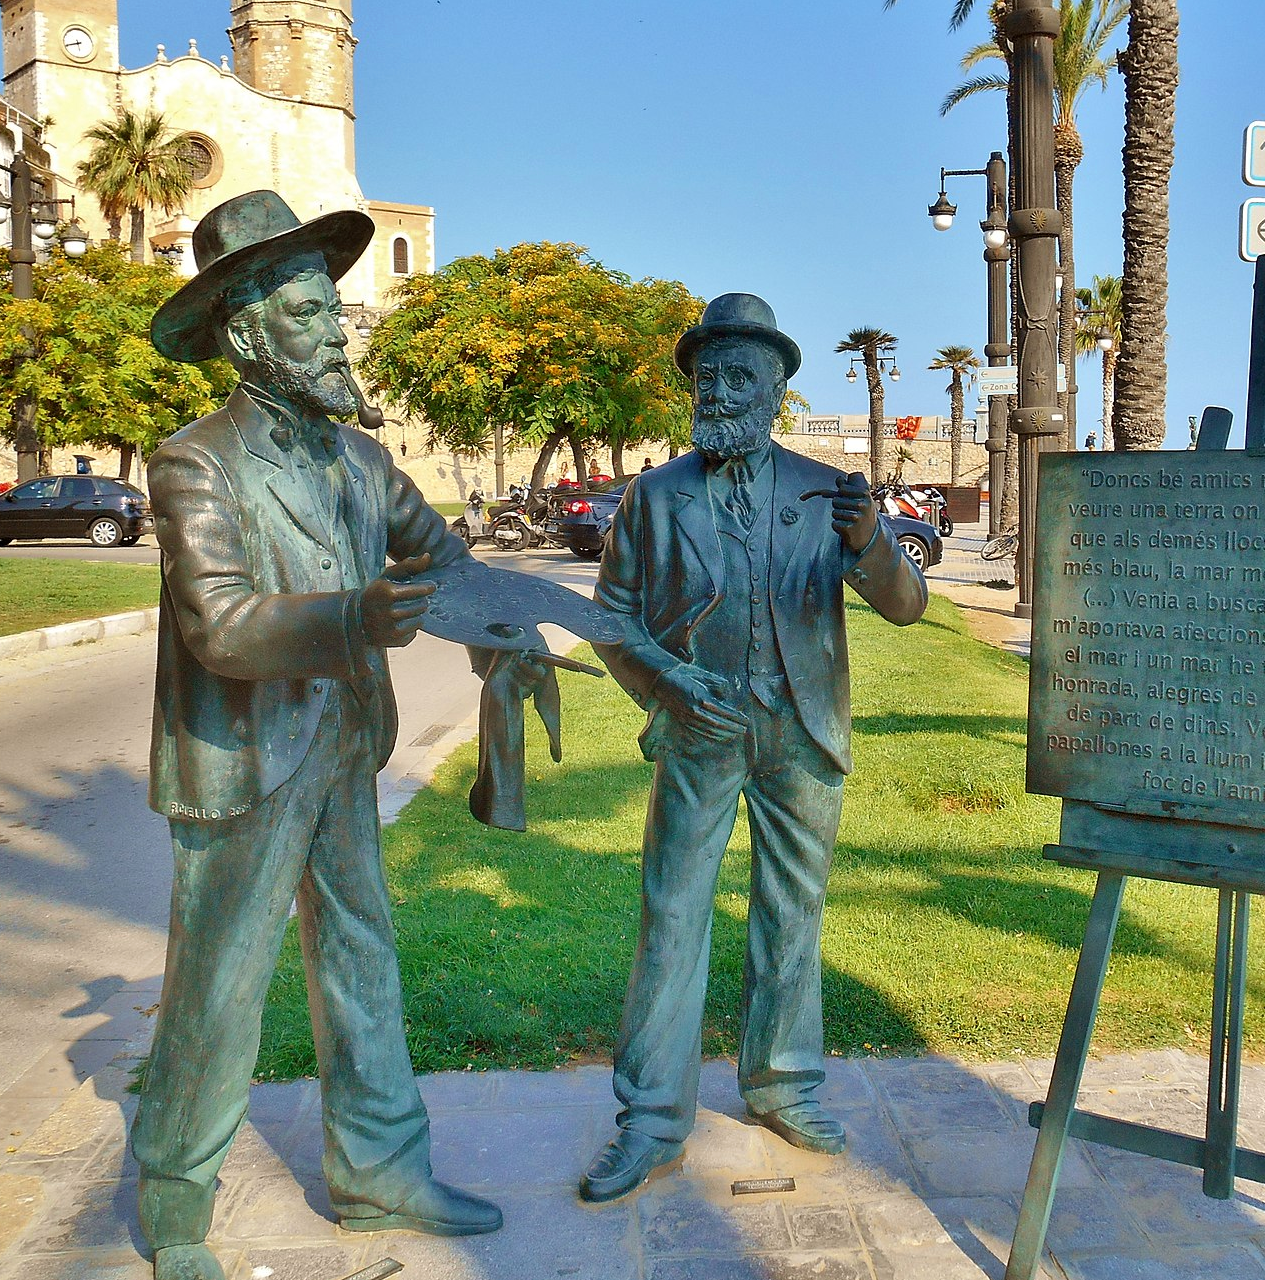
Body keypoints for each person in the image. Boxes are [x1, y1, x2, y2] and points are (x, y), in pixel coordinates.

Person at [130, 190, 551, 1280]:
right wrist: (350, 619)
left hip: (342, 750)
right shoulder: (194, 461)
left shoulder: (364, 465)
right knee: (218, 986)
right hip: (244, 758)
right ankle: (177, 1204)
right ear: (247, 333)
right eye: (310, 312)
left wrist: (515, 627)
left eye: (331, 307)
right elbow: (219, 626)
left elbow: (445, 561)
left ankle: (380, 1175)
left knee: (363, 962)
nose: (334, 329)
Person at [578, 292, 927, 1202]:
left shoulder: (826, 493)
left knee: (792, 914)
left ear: (777, 388)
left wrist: (871, 543)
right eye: (708, 374)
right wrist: (665, 682)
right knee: (674, 915)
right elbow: (610, 618)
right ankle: (651, 1118)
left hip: (802, 730)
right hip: (701, 732)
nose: (721, 389)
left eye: (742, 374)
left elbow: (907, 605)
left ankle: (783, 1086)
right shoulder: (655, 497)